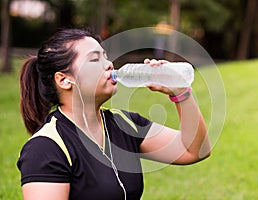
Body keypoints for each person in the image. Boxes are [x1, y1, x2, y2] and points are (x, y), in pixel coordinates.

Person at [17, 28, 210, 200]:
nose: (109, 64)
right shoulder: (45, 148)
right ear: (64, 80)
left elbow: (194, 150)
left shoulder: (123, 124)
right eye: (94, 59)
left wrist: (181, 93)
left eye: (105, 56)